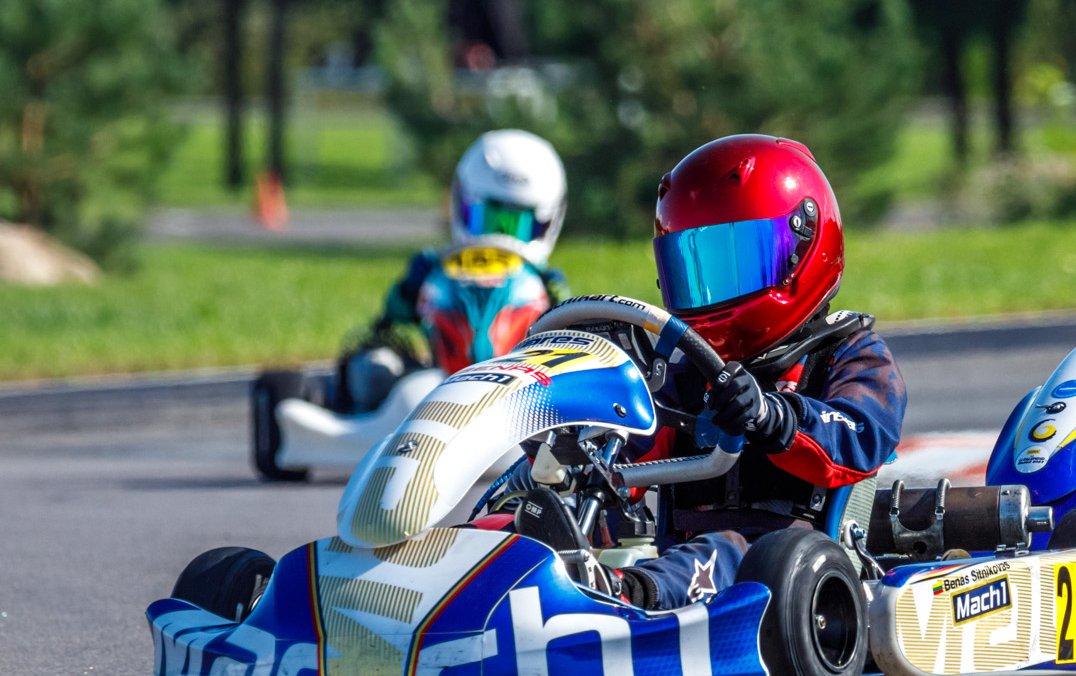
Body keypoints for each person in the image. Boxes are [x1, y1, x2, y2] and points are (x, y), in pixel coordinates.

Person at [612, 133, 905, 609]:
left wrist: (773, 416)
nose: (715, 290)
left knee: (724, 550)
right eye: (699, 268)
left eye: (739, 260)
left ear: (803, 249)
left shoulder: (851, 355)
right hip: (683, 556)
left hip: (795, 570)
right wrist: (574, 449)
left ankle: (633, 598)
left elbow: (859, 437)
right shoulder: (687, 374)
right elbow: (633, 452)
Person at [369, 130, 572, 376]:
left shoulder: (543, 282)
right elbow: (392, 315)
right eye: (490, 220)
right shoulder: (433, 270)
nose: (500, 237)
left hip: (520, 378)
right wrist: (409, 290)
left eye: (515, 225)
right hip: (437, 379)